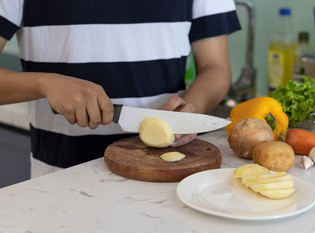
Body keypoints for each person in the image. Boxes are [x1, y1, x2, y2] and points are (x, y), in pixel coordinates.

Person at [0, 1, 241, 177]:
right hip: (61, 181)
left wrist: (192, 107)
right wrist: (45, 83)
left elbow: (215, 66)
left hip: (168, 179)